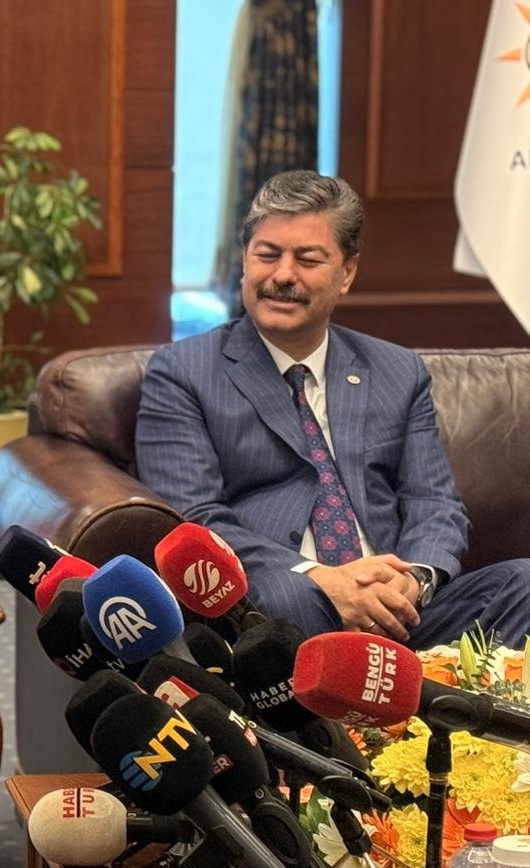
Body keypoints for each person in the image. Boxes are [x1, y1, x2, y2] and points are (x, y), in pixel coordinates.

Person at [136, 169, 530, 645]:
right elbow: (194, 517)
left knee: (523, 584)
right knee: (289, 600)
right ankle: (383, 680)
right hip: (284, 595)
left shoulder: (398, 370)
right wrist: (321, 578)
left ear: (347, 273)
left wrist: (413, 580)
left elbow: (433, 502)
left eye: (307, 259)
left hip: (400, 607)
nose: (283, 275)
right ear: (245, 260)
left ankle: (414, 680)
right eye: (267, 255)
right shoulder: (183, 372)